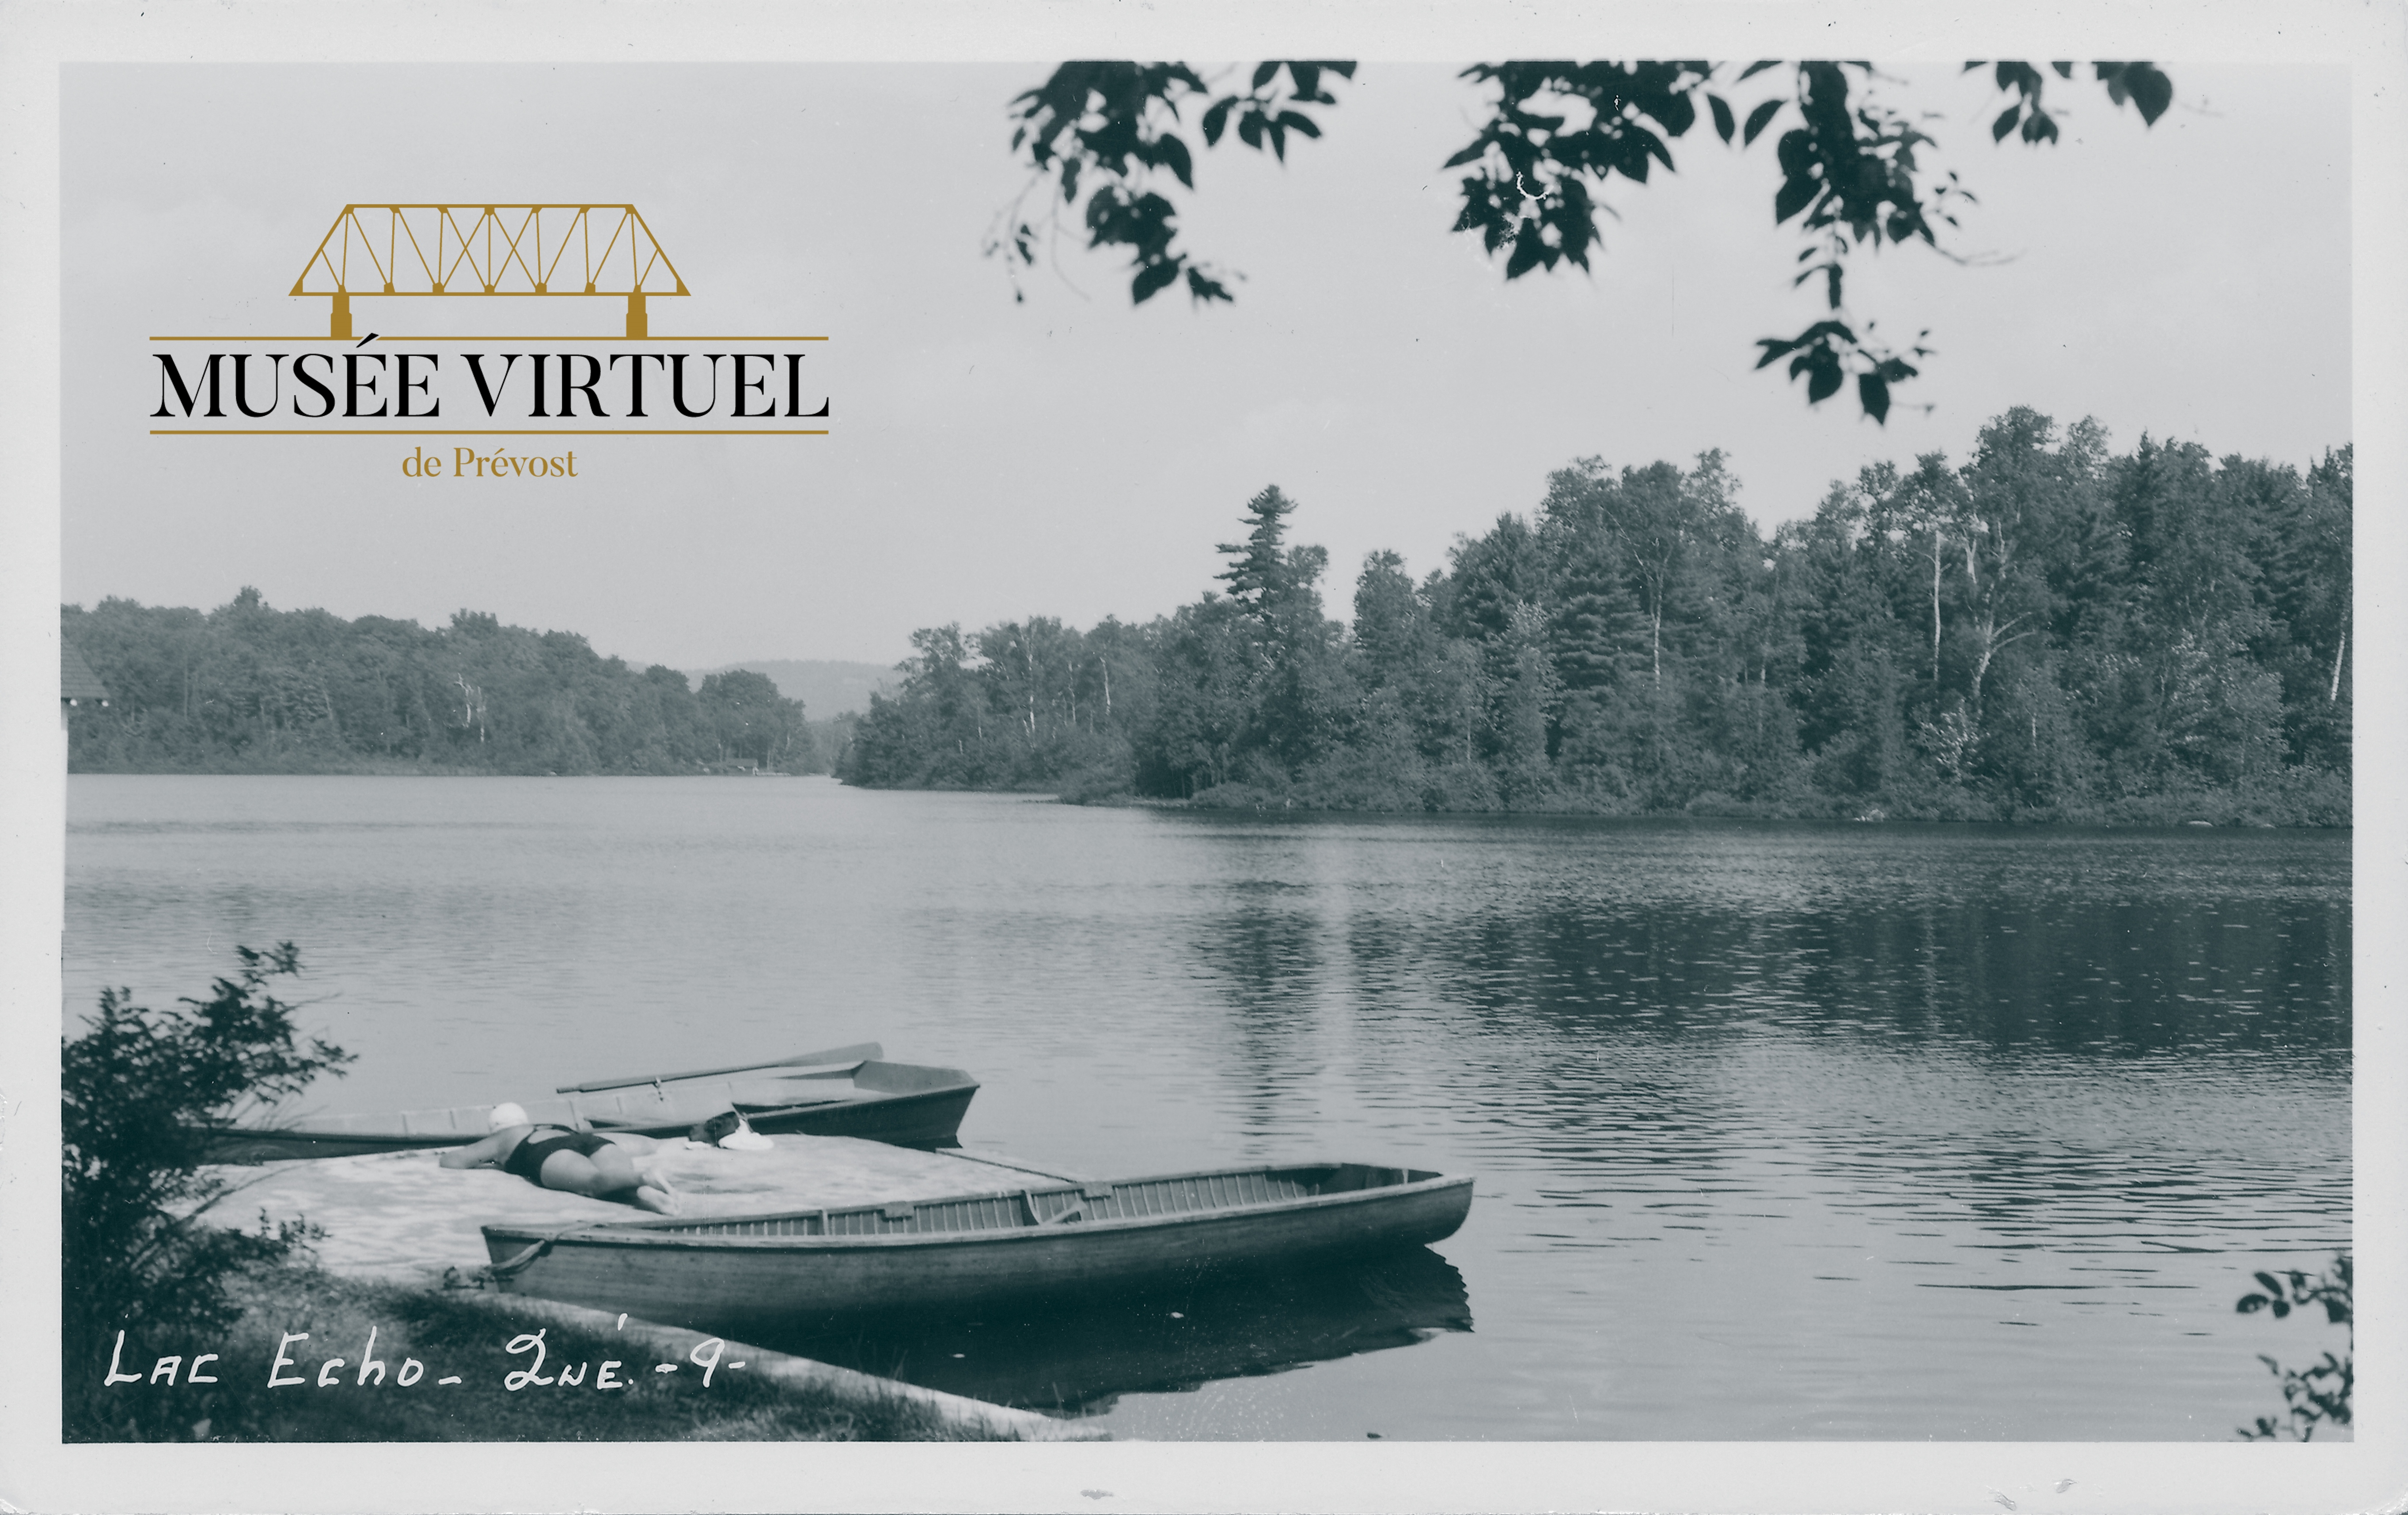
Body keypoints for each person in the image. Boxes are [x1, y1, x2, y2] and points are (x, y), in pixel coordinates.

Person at [440, 1102, 679, 1214]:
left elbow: (452, 1161)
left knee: (593, 1184)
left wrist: (498, 1164)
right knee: (614, 1180)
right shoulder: (549, 1124)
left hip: (547, 1151)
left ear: (496, 1127)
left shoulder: (503, 1137)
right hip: (589, 1141)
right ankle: (642, 1190)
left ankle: (643, 1177)